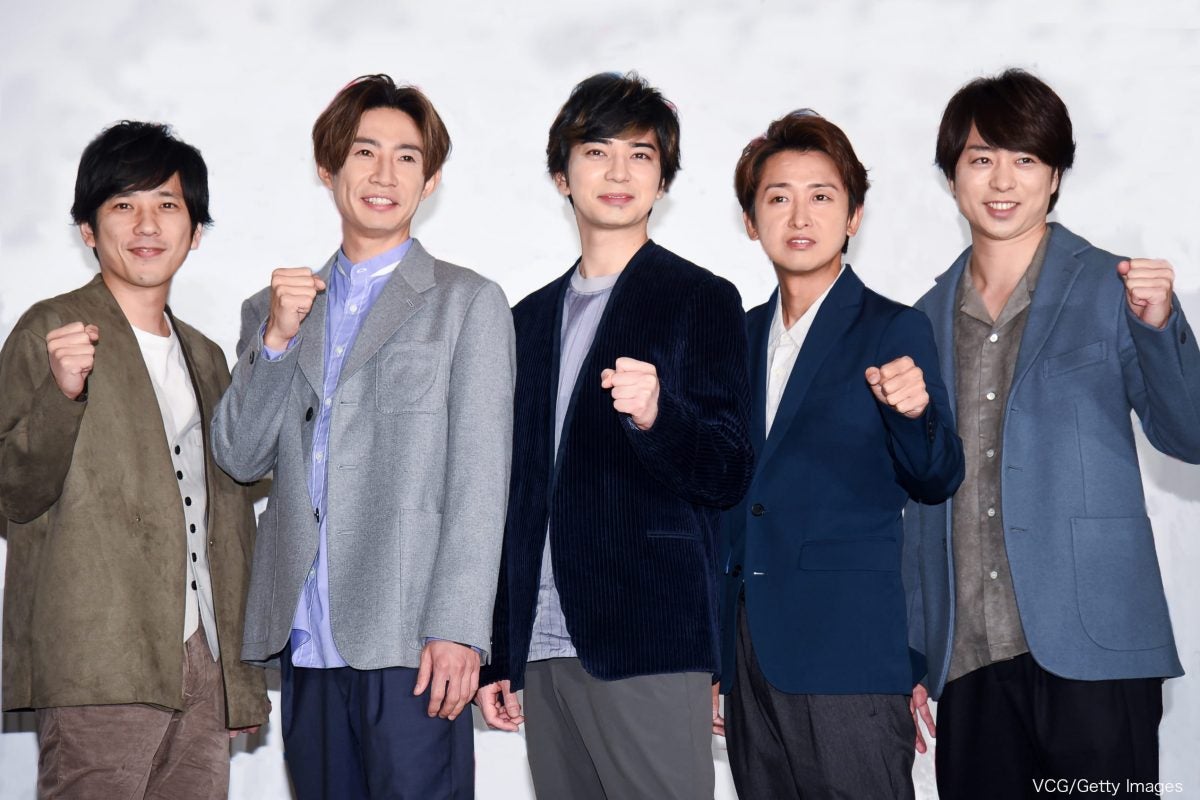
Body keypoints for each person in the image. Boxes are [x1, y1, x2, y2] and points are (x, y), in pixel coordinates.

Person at [211, 75, 514, 800]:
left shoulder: (467, 302)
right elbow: (240, 457)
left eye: (407, 158)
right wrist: (276, 342)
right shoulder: (274, 308)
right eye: (364, 152)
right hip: (306, 637)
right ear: (328, 167)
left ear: (430, 180)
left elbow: (480, 480)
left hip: (412, 638)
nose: (384, 175)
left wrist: (458, 628)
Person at [904, 68, 1200, 799]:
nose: (1002, 180)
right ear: (952, 177)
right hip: (968, 658)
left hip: (1096, 652)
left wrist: (1160, 327)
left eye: (1026, 158)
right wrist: (913, 651)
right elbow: (915, 501)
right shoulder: (920, 320)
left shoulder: (1114, 287)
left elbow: (1190, 434)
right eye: (981, 158)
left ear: (1056, 174)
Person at [475, 72, 754, 800]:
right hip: (541, 643)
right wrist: (500, 649)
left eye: (640, 155)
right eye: (597, 152)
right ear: (561, 176)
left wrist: (661, 416)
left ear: (663, 179)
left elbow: (730, 469)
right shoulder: (527, 319)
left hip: (648, 636)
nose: (619, 172)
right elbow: (515, 493)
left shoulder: (700, 297)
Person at [0, 121, 268, 799]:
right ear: (88, 229)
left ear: (195, 230)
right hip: (98, 656)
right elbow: (12, 494)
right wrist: (62, 395)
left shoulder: (206, 355)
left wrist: (237, 679)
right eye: (123, 204)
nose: (147, 224)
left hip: (205, 660)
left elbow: (234, 511)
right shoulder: (49, 329)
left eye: (167, 204)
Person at [717, 110, 964, 799]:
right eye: (778, 197)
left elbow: (938, 476)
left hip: (849, 655)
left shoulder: (893, 327)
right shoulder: (735, 338)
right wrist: (717, 657)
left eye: (821, 196)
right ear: (751, 220)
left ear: (853, 216)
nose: (800, 216)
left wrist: (915, 413)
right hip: (749, 656)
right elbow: (727, 502)